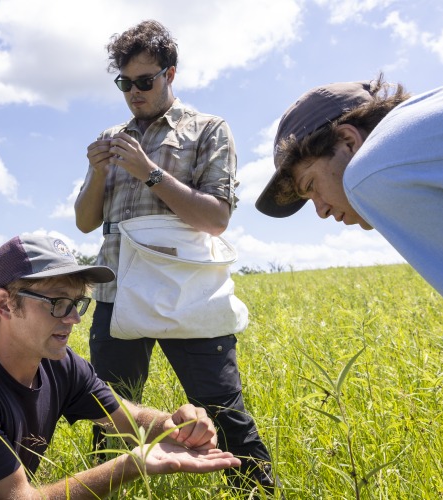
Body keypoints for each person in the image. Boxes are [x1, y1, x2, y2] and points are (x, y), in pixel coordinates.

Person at [74, 20, 277, 490]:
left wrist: (148, 172)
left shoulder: (207, 129)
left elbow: (216, 218)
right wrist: (97, 171)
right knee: (111, 413)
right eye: (125, 83)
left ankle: (255, 492)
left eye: (145, 81)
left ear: (170, 74)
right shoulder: (112, 136)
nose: (134, 92)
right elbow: (86, 222)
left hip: (188, 291)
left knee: (224, 410)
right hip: (116, 290)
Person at [0, 234, 241, 499]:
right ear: (5, 303)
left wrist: (177, 426)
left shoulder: (60, 365)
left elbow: (130, 419)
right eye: (57, 303)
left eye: (78, 302)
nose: (75, 318)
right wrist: (131, 465)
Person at [255, 57, 443, 368]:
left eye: (312, 185)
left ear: (348, 141)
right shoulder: (425, 131)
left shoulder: (375, 170)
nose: (321, 211)